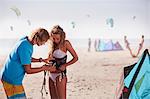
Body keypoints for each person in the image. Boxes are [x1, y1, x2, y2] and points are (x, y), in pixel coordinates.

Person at [0, 28, 56, 99]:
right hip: (12, 79)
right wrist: (44, 68)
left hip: (8, 76)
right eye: (43, 41)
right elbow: (28, 70)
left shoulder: (25, 40)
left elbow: (25, 58)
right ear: (37, 38)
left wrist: (41, 60)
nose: (44, 44)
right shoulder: (25, 46)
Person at [44, 25, 78, 99]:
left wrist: (65, 65)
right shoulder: (51, 45)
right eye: (53, 38)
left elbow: (75, 58)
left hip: (60, 75)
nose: (55, 40)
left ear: (62, 37)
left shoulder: (65, 43)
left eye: (57, 39)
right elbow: (50, 60)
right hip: (50, 75)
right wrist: (47, 62)